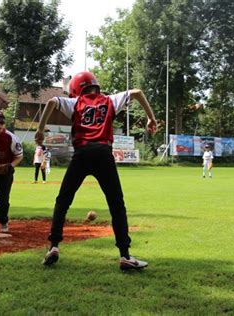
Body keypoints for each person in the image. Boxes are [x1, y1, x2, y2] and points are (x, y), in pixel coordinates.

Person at [34, 71, 157, 270]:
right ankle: (125, 255)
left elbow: (51, 103)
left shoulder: (75, 103)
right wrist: (151, 118)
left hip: (81, 154)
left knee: (63, 200)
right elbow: (137, 92)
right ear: (95, 85)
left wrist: (40, 130)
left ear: (76, 88)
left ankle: (54, 246)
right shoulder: (109, 100)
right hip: (103, 154)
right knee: (116, 204)